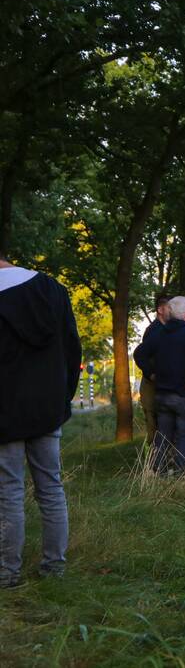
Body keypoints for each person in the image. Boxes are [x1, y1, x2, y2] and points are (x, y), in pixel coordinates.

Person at [0, 252, 81, 588]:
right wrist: (62, 398)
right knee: (51, 487)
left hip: (5, 411)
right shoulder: (52, 289)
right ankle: (54, 568)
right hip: (47, 407)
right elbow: (73, 348)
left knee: (8, 492)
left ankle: (8, 572)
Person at [133, 295, 185, 474]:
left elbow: (139, 354)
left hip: (162, 396)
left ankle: (157, 472)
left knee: (162, 438)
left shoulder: (160, 333)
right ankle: (182, 475)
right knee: (184, 438)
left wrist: (151, 374)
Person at [133, 294, 171, 446]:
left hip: (159, 383)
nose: (172, 311)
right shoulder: (154, 331)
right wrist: (151, 374)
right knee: (154, 423)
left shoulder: (167, 329)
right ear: (160, 310)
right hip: (152, 385)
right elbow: (140, 354)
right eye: (169, 307)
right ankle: (156, 456)